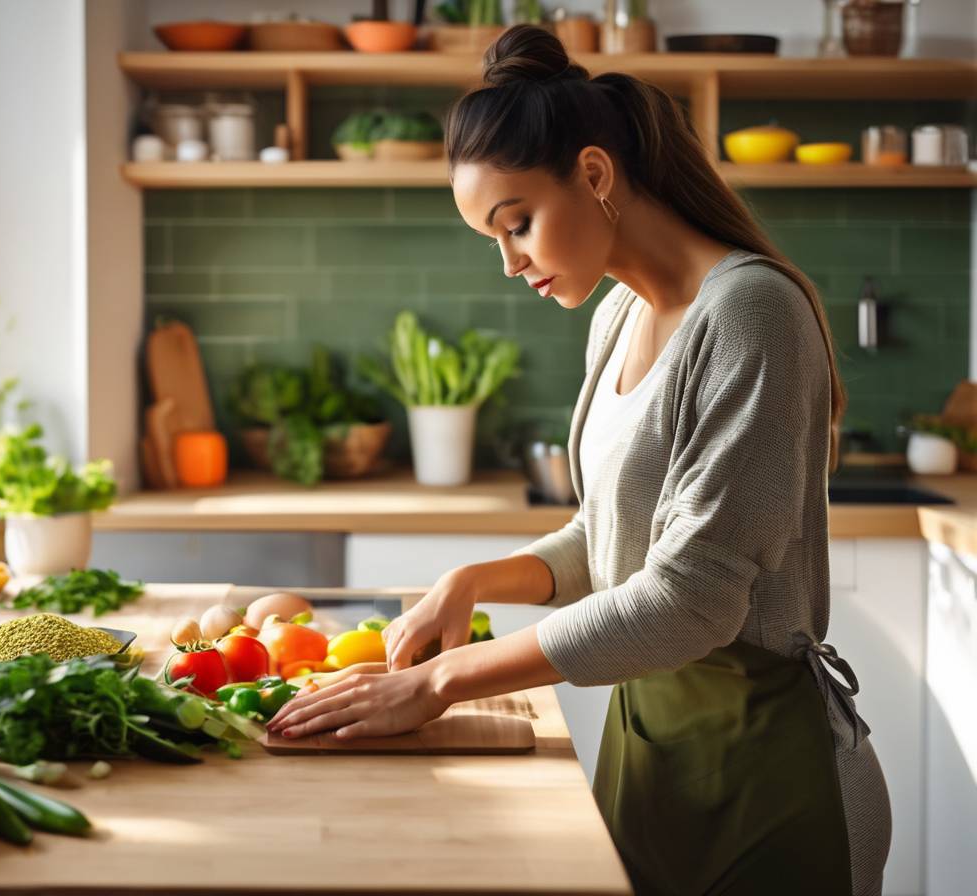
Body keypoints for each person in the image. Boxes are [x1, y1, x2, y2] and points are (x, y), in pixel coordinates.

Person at [267, 24, 891, 896]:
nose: (509, 262)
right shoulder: (618, 317)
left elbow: (691, 598)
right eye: (491, 238)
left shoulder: (752, 313)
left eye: (516, 224)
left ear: (595, 175)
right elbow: (611, 538)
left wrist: (443, 681)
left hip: (771, 784)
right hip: (652, 758)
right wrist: (474, 581)